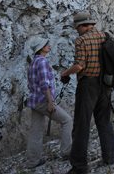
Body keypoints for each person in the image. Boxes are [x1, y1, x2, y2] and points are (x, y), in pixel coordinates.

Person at [61, 12, 114, 174]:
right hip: (105, 84)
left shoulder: (81, 40)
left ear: (82, 26)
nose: (77, 31)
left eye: (77, 27)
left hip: (88, 85)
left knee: (81, 125)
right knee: (104, 121)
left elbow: (79, 66)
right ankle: (109, 156)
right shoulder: (104, 36)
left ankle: (79, 167)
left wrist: (64, 73)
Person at [26, 36, 72, 168]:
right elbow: (44, 84)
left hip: (34, 100)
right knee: (67, 120)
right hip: (43, 100)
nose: (49, 45)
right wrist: (50, 102)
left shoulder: (33, 62)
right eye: (46, 44)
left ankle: (32, 161)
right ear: (41, 48)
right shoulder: (42, 62)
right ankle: (66, 152)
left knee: (36, 130)